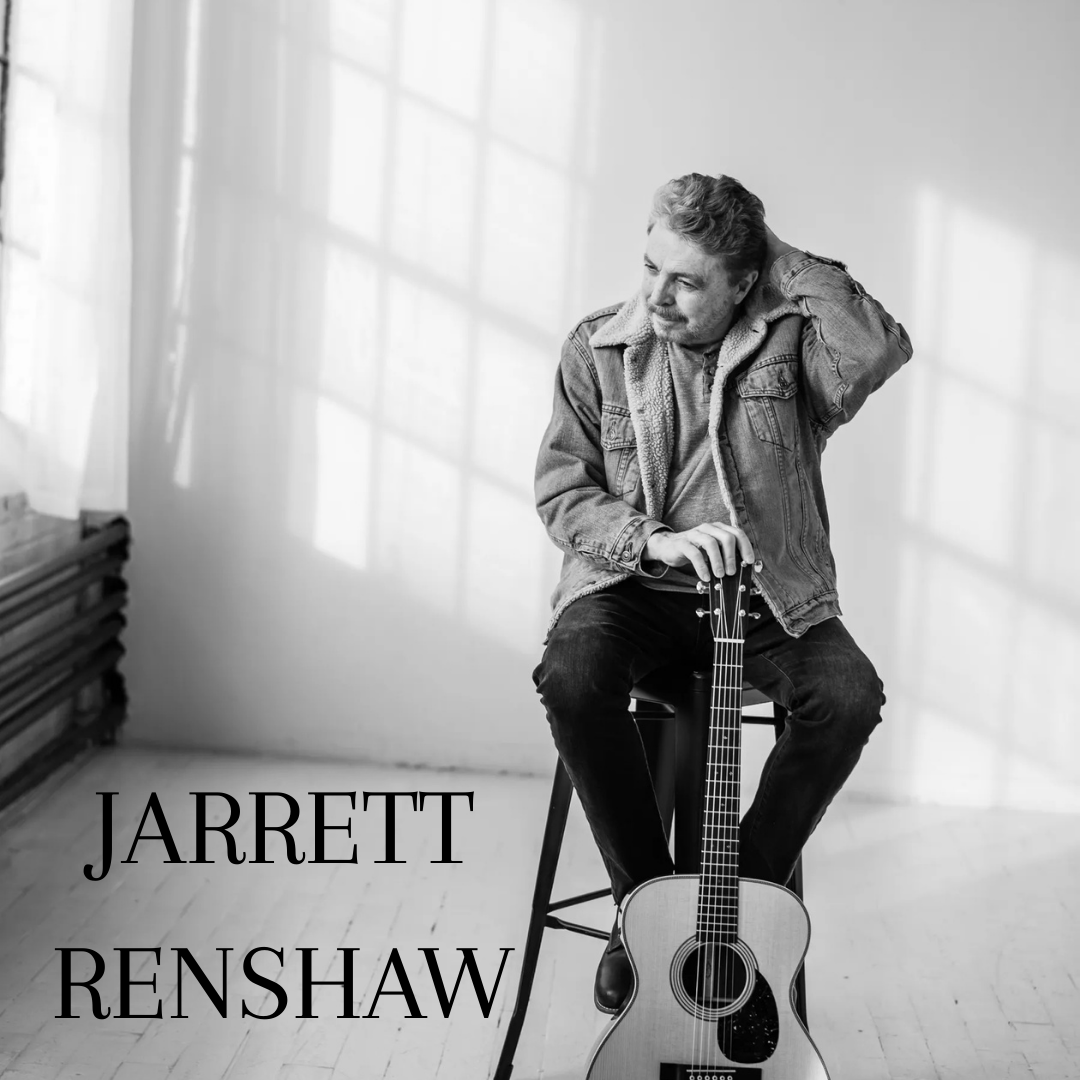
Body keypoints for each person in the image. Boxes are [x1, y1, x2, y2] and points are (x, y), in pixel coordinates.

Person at [531, 173, 912, 1014]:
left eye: (688, 280)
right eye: (650, 268)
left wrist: (778, 252)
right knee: (573, 675)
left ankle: (724, 906)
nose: (657, 296)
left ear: (743, 283)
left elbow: (878, 349)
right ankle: (646, 913)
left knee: (847, 697)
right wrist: (654, 541)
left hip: (766, 595)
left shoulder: (790, 347)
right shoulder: (596, 346)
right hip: (635, 583)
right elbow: (564, 495)